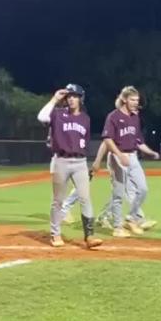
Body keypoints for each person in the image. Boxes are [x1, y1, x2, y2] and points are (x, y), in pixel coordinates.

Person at [37, 84, 102, 249]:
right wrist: (54, 99)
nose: (71, 99)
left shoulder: (85, 119)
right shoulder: (58, 114)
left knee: (85, 198)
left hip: (80, 162)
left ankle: (90, 236)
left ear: (80, 98)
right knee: (58, 200)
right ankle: (55, 234)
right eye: (69, 96)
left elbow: (84, 141)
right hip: (61, 161)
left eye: (75, 96)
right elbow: (41, 117)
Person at [100, 86, 161, 237]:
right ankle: (117, 227)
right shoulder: (113, 116)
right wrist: (119, 155)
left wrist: (151, 152)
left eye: (137, 100)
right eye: (132, 99)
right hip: (117, 157)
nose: (135, 102)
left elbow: (139, 142)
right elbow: (107, 139)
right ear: (124, 100)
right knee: (119, 193)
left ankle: (131, 218)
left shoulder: (135, 118)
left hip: (132, 157)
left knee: (143, 189)